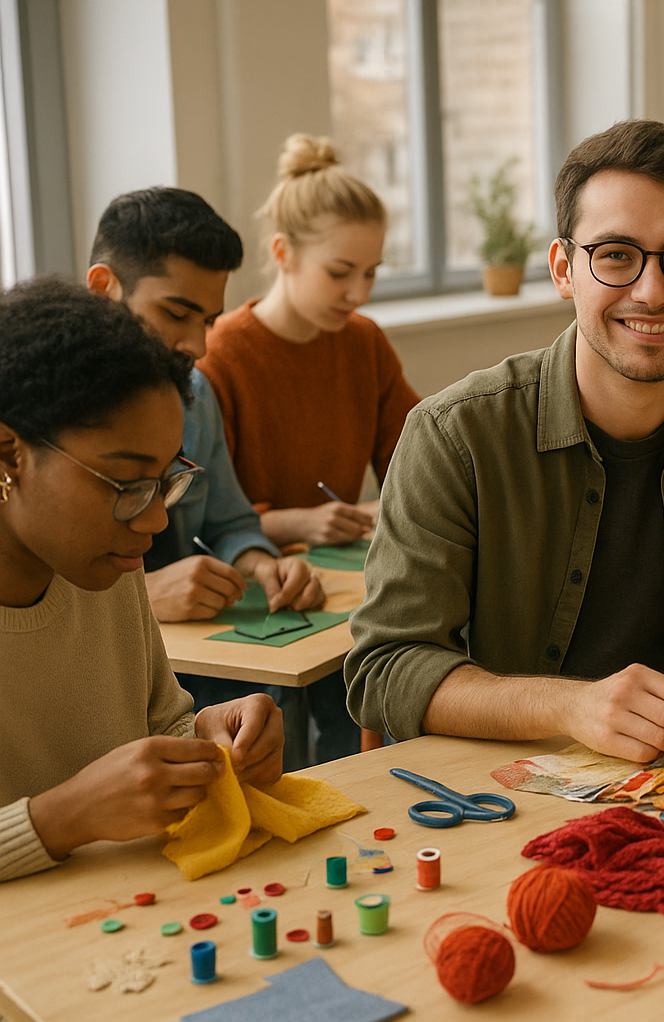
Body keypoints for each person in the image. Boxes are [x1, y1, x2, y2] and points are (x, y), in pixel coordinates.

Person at [344, 120, 664, 763]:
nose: (652, 290)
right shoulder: (453, 436)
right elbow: (385, 669)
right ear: (564, 269)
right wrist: (569, 706)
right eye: (616, 255)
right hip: (504, 787)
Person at [0, 277, 283, 883]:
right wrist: (59, 818)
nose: (155, 519)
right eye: (127, 485)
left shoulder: (104, 564)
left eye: (165, 480)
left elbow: (156, 724)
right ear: (9, 456)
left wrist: (208, 737)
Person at [85, 188, 326, 624]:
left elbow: (229, 524)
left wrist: (263, 565)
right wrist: (145, 595)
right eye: (176, 315)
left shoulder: (193, 394)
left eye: (209, 322)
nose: (197, 346)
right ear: (104, 288)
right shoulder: (32, 410)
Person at [199, 133, 420, 550]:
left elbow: (421, 461)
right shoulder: (218, 356)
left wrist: (399, 500)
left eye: (370, 272)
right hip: (251, 580)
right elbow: (200, 521)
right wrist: (294, 524)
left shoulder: (364, 342)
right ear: (283, 253)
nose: (359, 294)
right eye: (340, 273)